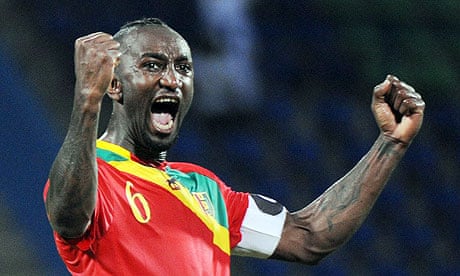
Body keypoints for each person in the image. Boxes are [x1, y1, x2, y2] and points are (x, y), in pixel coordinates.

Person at [44, 18, 425, 275]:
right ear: (114, 85)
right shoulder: (94, 177)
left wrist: (390, 143)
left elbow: (309, 236)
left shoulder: (205, 189)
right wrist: (86, 101)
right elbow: (67, 216)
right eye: (153, 66)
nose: (173, 80)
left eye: (184, 67)